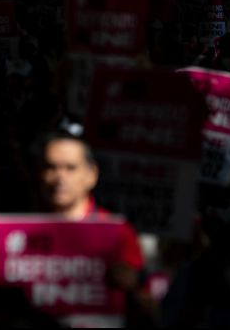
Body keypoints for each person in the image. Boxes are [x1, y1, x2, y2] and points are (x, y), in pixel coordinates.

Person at [33, 132, 154, 326]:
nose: (59, 177)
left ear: (91, 175)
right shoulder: (20, 229)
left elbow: (147, 305)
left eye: (70, 168)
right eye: (50, 167)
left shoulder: (117, 231)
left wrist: (131, 285)